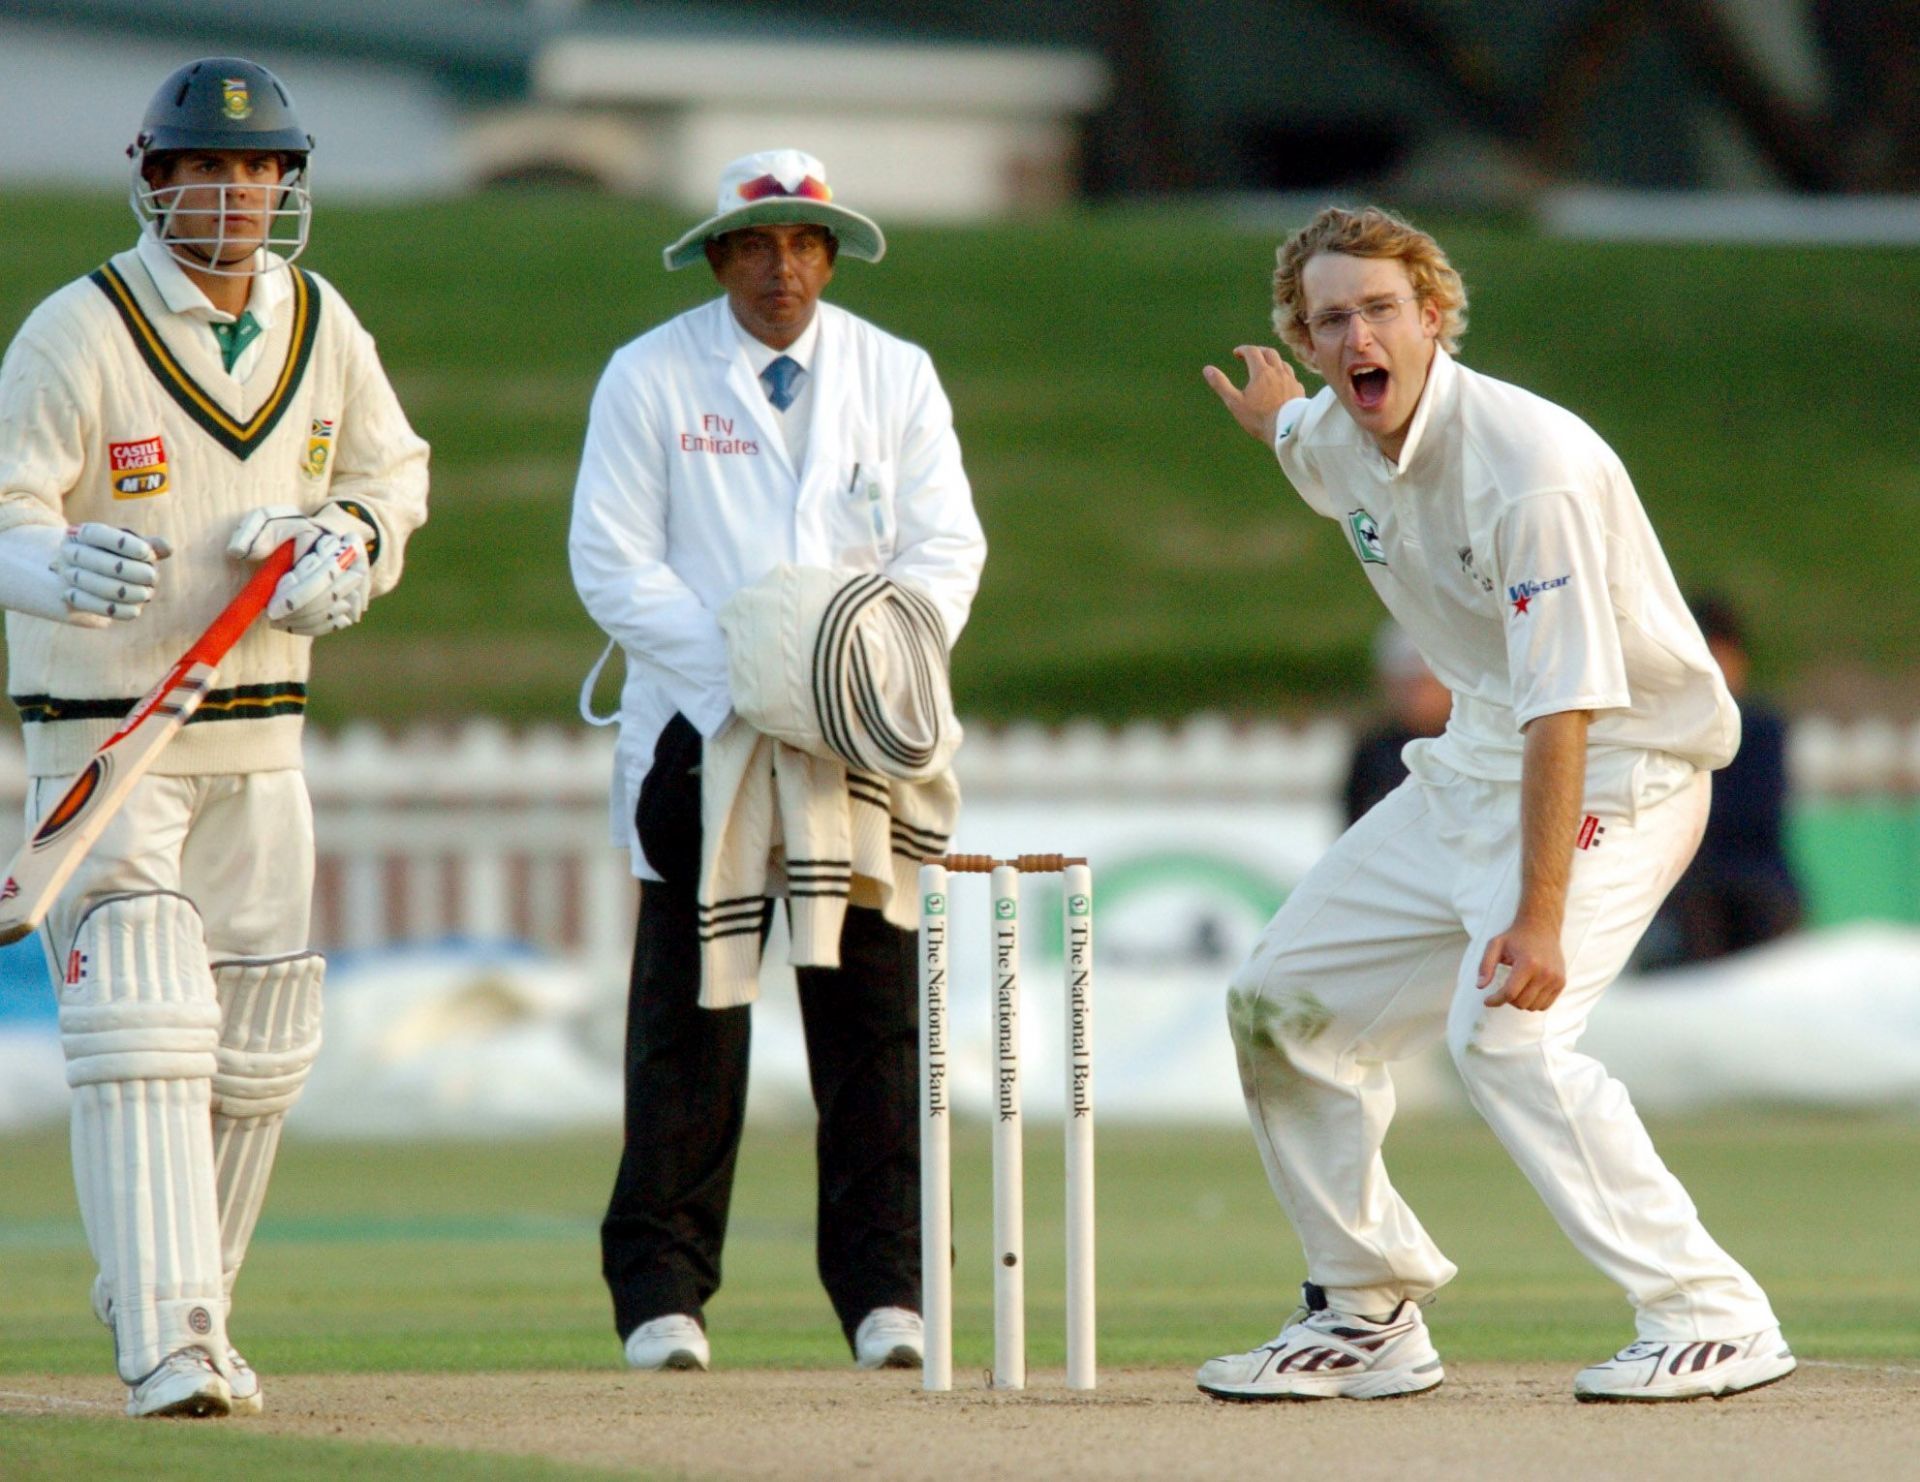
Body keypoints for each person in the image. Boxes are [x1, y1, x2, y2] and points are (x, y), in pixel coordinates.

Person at [1196, 206, 1792, 1403]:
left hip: (1620, 763)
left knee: (1506, 1037)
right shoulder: (1333, 428)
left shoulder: (1533, 471)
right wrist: (1274, 421)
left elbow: (1563, 710)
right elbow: (1306, 447)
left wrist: (1535, 915)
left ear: (1432, 317)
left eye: (1378, 308)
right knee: (1280, 1007)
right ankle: (1365, 1309)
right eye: (1328, 320)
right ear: (1307, 346)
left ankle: (1711, 1314)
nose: (1355, 334)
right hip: (1473, 758)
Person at [0, 58, 428, 1417]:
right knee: (142, 1016)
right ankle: (171, 1340)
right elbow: (4, 506)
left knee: (259, 1036)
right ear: (153, 177)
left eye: (259, 171)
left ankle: (182, 1302)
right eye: (207, 167)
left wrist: (345, 548)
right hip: (111, 734)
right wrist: (53, 566)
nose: (235, 193)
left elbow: (388, 475)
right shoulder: (79, 328)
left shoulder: (322, 319)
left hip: (260, 734)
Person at [569, 149, 986, 1373]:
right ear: (718, 256)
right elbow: (613, 562)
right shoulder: (650, 374)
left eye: (808, 244)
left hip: (858, 740)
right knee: (690, 1016)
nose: (783, 267)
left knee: (872, 1013)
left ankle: (889, 1295)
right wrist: (751, 681)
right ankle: (661, 1295)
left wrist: (848, 676)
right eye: (758, 245)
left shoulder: (894, 373)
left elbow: (945, 548)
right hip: (700, 735)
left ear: (833, 255)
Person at [1637, 594, 1803, 969]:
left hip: (1752, 878)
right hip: (1691, 880)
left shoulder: (1760, 728)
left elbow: (1756, 813)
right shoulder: (1668, 729)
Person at [1342, 620, 1452, 825]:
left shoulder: (1469, 747)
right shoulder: (1374, 752)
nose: (1417, 697)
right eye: (1408, 685)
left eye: (1425, 684)